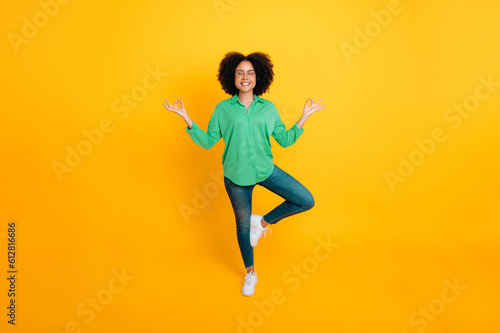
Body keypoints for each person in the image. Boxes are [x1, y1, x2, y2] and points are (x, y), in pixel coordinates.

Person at [163, 51, 324, 296]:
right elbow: (208, 141)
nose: (245, 77)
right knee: (242, 227)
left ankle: (261, 222)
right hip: (236, 177)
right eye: (240, 73)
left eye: (250, 73)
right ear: (232, 77)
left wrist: (303, 118)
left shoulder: (268, 109)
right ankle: (251, 272)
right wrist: (187, 120)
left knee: (305, 200)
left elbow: (284, 140)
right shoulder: (223, 109)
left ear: (258, 77)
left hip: (265, 170)